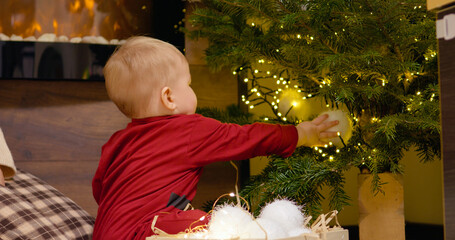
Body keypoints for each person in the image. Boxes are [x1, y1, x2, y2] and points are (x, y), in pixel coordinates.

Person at [92, 36, 339, 240]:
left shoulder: (117, 141)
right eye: (188, 84)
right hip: (145, 231)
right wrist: (300, 134)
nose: (192, 89)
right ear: (169, 97)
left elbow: (100, 189)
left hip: (103, 233)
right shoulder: (187, 129)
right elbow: (246, 138)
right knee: (211, 222)